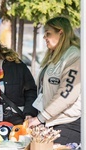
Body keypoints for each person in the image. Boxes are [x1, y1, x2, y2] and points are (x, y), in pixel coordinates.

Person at [27, 16, 81, 145]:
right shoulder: (54, 57)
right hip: (51, 122)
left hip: (67, 123)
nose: (44, 37)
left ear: (61, 32)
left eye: (48, 33)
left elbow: (66, 94)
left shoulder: (74, 56)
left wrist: (40, 118)